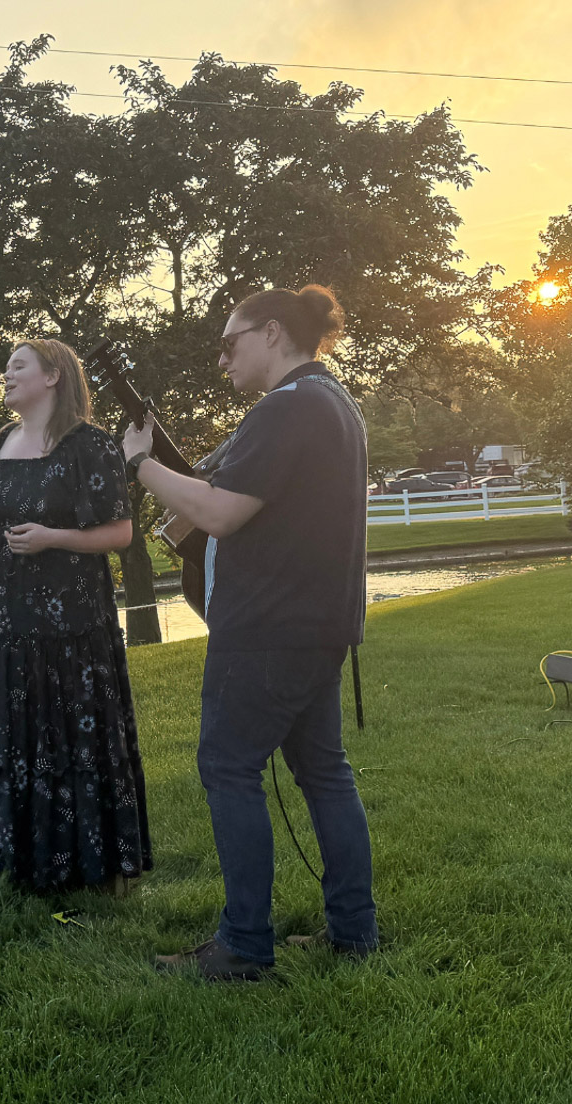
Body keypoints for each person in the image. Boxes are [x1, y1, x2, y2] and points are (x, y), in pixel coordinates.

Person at [123, 285, 376, 981]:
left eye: (229, 343)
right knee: (325, 774)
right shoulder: (334, 402)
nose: (222, 359)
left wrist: (140, 464)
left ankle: (242, 946)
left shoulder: (286, 407)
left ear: (271, 334)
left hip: (266, 626)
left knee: (228, 768)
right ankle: (355, 932)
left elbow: (221, 512)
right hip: (321, 623)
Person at [0, 338, 151, 894]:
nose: (6, 374)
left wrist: (52, 538)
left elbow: (120, 532)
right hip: (2, 621)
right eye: (7, 367)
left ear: (53, 377)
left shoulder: (87, 445)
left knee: (67, 735)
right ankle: (13, 861)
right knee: (9, 735)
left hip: (67, 624)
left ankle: (86, 869)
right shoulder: (6, 439)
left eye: (17, 365)